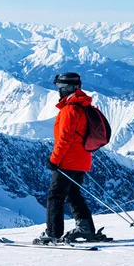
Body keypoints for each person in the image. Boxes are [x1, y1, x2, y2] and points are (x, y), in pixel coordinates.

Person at [36, 72, 106, 243]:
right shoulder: (83, 106)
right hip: (82, 159)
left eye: (60, 88)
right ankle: (86, 228)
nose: (58, 91)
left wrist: (54, 160)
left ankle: (53, 233)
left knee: (55, 196)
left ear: (67, 88)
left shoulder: (70, 109)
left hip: (68, 160)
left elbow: (64, 140)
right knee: (73, 194)